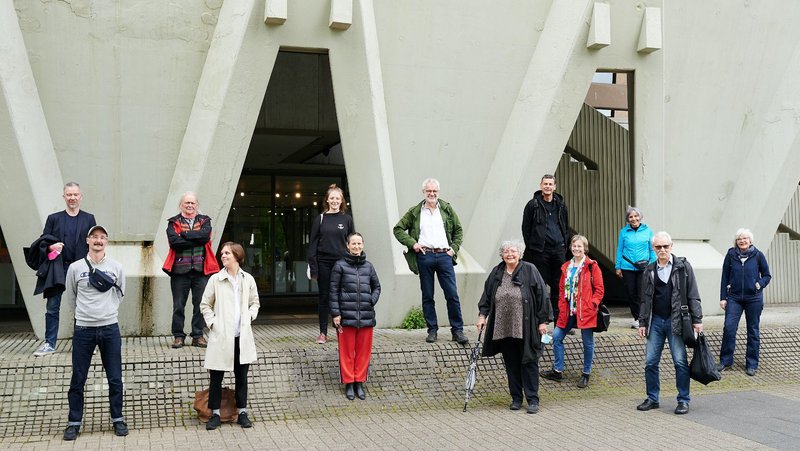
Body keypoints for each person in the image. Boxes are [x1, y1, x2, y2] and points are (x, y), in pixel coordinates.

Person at [62, 225, 127, 440]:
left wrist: (105, 312)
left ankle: (118, 419)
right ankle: (74, 423)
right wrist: (86, 315)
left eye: (103, 237)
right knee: (78, 379)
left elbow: (120, 294)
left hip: (110, 328)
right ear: (87, 240)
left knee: (115, 378)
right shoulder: (75, 268)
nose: (98, 240)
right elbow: (71, 297)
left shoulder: (116, 267)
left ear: (107, 242)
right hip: (83, 330)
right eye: (94, 237)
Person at [476, 240, 551, 414]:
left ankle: (532, 399)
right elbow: (487, 296)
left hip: (526, 325)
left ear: (520, 253)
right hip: (504, 327)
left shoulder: (529, 270)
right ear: (502, 254)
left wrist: (543, 321)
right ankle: (516, 398)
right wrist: (482, 316)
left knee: (529, 361)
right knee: (511, 363)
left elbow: (542, 295)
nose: (510, 254)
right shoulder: (497, 272)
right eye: (506, 251)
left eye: (513, 251)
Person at [393, 178, 468, 345]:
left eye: (434, 191)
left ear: (438, 192)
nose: (432, 194)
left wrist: (453, 249)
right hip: (424, 256)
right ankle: (432, 330)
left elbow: (459, 231)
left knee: (452, 294)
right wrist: (413, 244)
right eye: (429, 191)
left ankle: (458, 331)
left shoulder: (447, 209)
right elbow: (397, 229)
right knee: (428, 295)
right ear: (424, 192)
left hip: (444, 256)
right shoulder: (415, 212)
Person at [636, 231, 703, 415]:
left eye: (666, 246)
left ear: (671, 247)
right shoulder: (649, 270)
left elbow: (693, 294)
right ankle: (652, 398)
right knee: (650, 362)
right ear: (654, 249)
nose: (662, 250)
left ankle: (683, 400)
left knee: (680, 362)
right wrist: (642, 322)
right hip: (655, 321)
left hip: (677, 321)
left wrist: (697, 320)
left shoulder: (683, 267)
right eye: (658, 247)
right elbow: (645, 299)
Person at [200, 242, 260, 430]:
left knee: (241, 378)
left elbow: (255, 303)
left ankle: (242, 412)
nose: (223, 256)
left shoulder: (247, 279)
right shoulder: (215, 280)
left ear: (237, 255)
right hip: (221, 337)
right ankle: (215, 414)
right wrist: (213, 324)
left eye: (227, 253)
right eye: (222, 253)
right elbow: (205, 305)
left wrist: (249, 316)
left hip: (241, 337)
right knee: (216, 377)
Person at [33, 182, 96, 357]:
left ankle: (83, 344)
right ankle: (49, 344)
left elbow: (95, 242)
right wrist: (51, 247)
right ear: (64, 197)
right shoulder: (54, 218)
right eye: (69, 195)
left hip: (80, 267)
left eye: (75, 194)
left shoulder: (89, 218)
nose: (72, 198)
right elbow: (42, 242)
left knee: (83, 307)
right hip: (58, 268)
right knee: (53, 306)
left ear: (81, 196)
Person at [541, 235, 605, 388]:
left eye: (579, 246)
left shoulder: (592, 266)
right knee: (556, 336)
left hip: (586, 311)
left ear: (585, 249)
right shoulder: (566, 267)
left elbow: (599, 289)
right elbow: (562, 289)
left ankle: (586, 373)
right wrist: (561, 306)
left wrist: (593, 304)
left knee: (587, 342)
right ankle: (557, 371)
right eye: (574, 246)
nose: (576, 249)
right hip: (568, 310)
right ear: (571, 247)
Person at [162, 192, 220, 349]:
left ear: (197, 205)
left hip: (201, 271)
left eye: (192, 203)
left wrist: (185, 234)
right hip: (179, 272)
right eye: (186, 202)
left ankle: (198, 335)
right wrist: (196, 239)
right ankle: (178, 336)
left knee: (201, 304)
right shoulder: (173, 222)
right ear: (181, 204)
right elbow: (174, 243)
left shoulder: (205, 220)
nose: (189, 205)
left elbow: (205, 237)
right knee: (178, 305)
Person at [330, 233, 381, 401]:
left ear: (363, 245)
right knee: (346, 353)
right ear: (348, 246)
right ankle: (349, 383)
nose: (356, 246)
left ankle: (359, 382)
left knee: (363, 353)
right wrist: (336, 314)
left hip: (366, 317)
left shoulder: (369, 267)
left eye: (359, 243)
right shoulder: (339, 266)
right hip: (346, 317)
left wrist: (370, 300)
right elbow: (333, 292)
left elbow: (377, 287)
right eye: (353, 243)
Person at [717, 228, 771, 376]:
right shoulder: (731, 255)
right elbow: (724, 277)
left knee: (752, 330)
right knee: (729, 328)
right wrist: (723, 297)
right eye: (739, 238)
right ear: (736, 241)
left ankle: (752, 364)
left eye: (745, 238)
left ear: (750, 240)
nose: (742, 241)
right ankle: (725, 361)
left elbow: (767, 275)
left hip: (754, 298)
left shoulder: (758, 255)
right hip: (734, 298)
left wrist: (758, 284)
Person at [308, 184, 355, 344]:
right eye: (332, 198)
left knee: (342, 298)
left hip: (342, 263)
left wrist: (354, 261)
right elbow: (313, 245)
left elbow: (352, 242)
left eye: (338, 198)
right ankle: (323, 333)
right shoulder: (320, 219)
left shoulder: (347, 219)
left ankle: (340, 331)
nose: (335, 201)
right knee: (325, 298)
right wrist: (314, 268)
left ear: (342, 201)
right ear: (327, 200)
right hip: (324, 263)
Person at [521, 174, 570, 324]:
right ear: (541, 186)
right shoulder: (532, 205)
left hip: (558, 249)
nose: (548, 186)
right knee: (540, 284)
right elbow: (526, 228)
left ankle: (558, 319)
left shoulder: (561, 205)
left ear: (555, 186)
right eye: (545, 184)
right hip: (540, 251)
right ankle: (541, 319)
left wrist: (563, 243)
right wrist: (532, 246)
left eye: (550, 184)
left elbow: (565, 226)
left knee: (559, 284)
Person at [614, 207, 656, 329]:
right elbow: (620, 250)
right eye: (631, 217)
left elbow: (651, 250)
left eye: (636, 216)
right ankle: (637, 318)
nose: (634, 219)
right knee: (631, 294)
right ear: (628, 219)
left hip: (644, 267)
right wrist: (618, 266)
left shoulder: (648, 231)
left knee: (642, 294)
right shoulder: (624, 232)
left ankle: (644, 318)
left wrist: (652, 265)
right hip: (627, 267)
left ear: (640, 217)